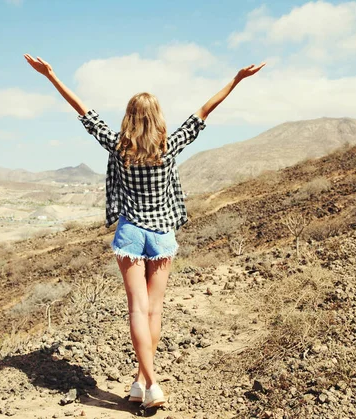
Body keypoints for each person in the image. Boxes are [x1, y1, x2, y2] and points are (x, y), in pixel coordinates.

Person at [24, 53, 265, 408]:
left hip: (131, 235)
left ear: (130, 117)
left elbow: (83, 112)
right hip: (163, 235)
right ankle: (147, 381)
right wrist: (236, 79)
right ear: (158, 118)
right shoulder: (170, 147)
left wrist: (51, 75)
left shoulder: (119, 146)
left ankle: (146, 381)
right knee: (154, 311)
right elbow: (204, 111)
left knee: (137, 310)